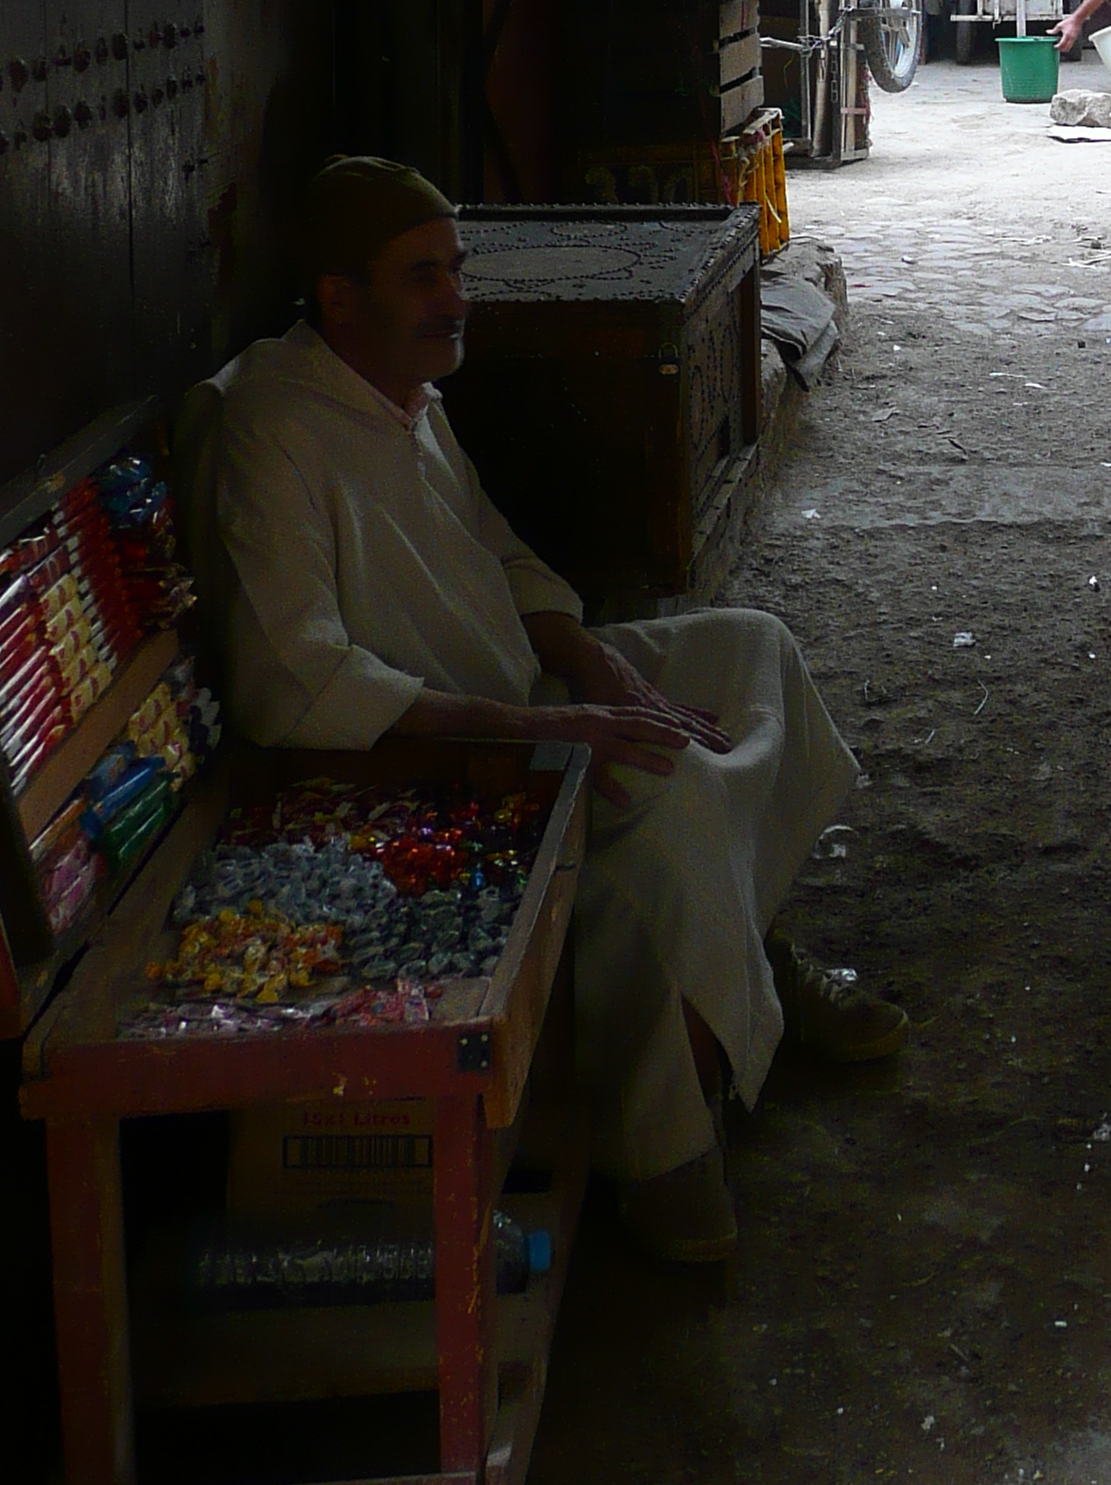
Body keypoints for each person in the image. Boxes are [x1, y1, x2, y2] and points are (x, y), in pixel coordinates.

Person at [184, 157, 904, 1267]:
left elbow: (497, 551)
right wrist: (545, 731)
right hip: (431, 755)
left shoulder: (400, 387)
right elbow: (300, 681)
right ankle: (665, 1152)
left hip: (523, 689)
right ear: (337, 298)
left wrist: (595, 669)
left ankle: (755, 960)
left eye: (455, 270)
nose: (455, 300)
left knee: (750, 650)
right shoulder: (271, 428)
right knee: (666, 799)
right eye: (423, 277)